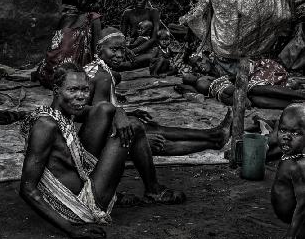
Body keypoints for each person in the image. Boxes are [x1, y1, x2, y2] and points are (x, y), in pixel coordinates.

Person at [20, 63, 185, 239]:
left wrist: (120, 113)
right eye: (73, 90)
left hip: (81, 181)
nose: (80, 97)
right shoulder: (46, 125)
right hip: (78, 206)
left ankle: (133, 190)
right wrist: (71, 230)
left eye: (85, 90)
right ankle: (154, 191)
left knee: (106, 110)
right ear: (56, 90)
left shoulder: (63, 112)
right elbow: (27, 189)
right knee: (135, 127)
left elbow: (104, 109)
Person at [83, 27, 232, 156]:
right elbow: (101, 119)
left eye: (122, 49)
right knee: (157, 141)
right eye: (114, 49)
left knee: (153, 128)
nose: (120, 55)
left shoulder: (97, 69)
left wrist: (129, 114)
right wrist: (141, 136)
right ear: (99, 50)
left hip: (99, 133)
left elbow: (100, 113)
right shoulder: (103, 77)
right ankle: (213, 142)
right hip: (98, 144)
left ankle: (212, 135)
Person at [36, 0, 102, 88]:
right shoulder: (93, 18)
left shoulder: (65, 16)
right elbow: (97, 50)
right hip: (71, 77)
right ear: (94, 3)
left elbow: (56, 45)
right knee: (111, 76)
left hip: (49, 75)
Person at [176, 63, 305, 109]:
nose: (190, 74)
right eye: (188, 76)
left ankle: (296, 102)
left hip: (227, 93)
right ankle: (299, 97)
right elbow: (229, 80)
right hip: (228, 91)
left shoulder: (202, 82)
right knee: (257, 92)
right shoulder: (202, 81)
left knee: (257, 100)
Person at [271, 104, 305, 239]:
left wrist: (291, 235)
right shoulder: (291, 154)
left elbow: (303, 204)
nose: (286, 137)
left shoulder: (299, 166)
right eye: (283, 130)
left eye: (295, 133)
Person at [119, 0, 160, 70]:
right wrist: (126, 50)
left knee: (125, 64)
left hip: (148, 49)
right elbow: (121, 36)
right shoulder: (127, 13)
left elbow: (154, 38)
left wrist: (134, 51)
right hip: (131, 47)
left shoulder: (153, 12)